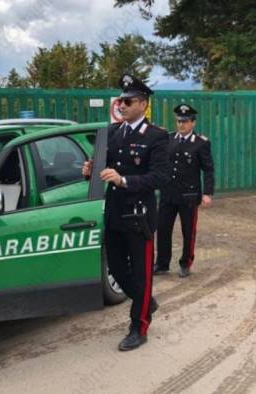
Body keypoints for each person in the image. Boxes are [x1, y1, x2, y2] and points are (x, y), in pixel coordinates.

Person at [82, 74, 169, 351]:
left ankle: (139, 326)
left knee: (142, 275)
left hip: (139, 215)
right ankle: (146, 301)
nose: (122, 105)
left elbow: (159, 177)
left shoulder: (156, 136)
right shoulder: (112, 133)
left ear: (142, 104)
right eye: (120, 100)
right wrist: (90, 172)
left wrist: (124, 180)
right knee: (117, 270)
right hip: (115, 213)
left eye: (128, 101)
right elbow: (101, 168)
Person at [154, 104, 214, 278]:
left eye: (185, 122)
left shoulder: (201, 143)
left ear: (193, 123)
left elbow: (208, 169)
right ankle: (162, 263)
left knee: (188, 231)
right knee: (163, 229)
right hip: (168, 193)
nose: (181, 125)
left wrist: (207, 193)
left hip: (188, 195)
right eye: (179, 121)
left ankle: (186, 263)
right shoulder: (169, 139)